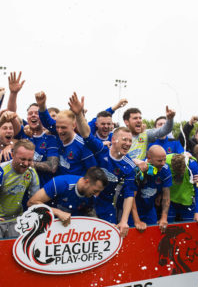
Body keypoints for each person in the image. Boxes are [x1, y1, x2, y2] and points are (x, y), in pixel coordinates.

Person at [72, 93, 138, 238]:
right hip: (84, 201)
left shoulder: (129, 167)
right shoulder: (101, 150)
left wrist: (124, 221)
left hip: (107, 207)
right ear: (113, 140)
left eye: (130, 140)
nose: (127, 143)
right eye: (124, 139)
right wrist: (78, 115)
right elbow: (86, 135)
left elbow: (128, 195)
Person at [0, 139, 40, 239]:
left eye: (30, 160)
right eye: (22, 159)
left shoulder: (31, 173)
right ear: (12, 155)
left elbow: (35, 201)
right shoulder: (1, 171)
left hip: (16, 220)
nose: (26, 163)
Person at [27, 166, 108, 226]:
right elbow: (31, 203)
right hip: (46, 225)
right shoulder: (61, 183)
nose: (97, 195)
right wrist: (57, 212)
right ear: (86, 182)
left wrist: (105, 227)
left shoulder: (91, 194)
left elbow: (90, 212)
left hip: (69, 230)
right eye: (95, 191)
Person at [129, 145, 172, 233]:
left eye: (164, 159)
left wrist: (164, 218)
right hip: (131, 209)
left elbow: (166, 197)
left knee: (152, 235)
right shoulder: (137, 170)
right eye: (160, 160)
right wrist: (137, 221)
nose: (163, 163)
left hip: (149, 209)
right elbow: (130, 197)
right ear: (149, 158)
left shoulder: (165, 170)